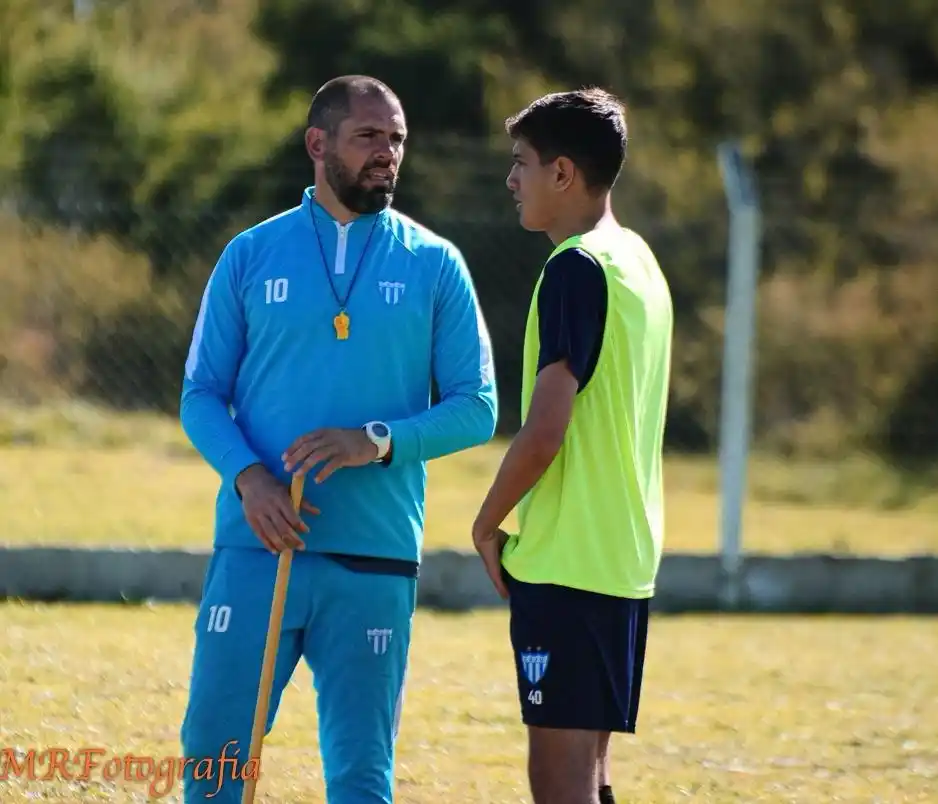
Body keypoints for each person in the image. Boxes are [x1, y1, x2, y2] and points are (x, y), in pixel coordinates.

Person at [178, 74, 498, 803]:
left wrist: (374, 441)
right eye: (369, 137)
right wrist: (249, 479)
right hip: (259, 550)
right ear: (318, 144)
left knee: (360, 776)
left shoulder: (435, 263)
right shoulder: (250, 255)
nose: (388, 153)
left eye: (397, 140)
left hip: (375, 558)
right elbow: (200, 395)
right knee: (215, 760)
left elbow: (477, 407)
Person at [471, 88, 673, 804]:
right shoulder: (638, 261)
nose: (511, 179)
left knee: (559, 780)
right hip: (623, 558)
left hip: (568, 562)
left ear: (562, 173)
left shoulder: (575, 267)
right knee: (591, 770)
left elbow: (545, 432)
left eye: (521, 162)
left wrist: (486, 523)